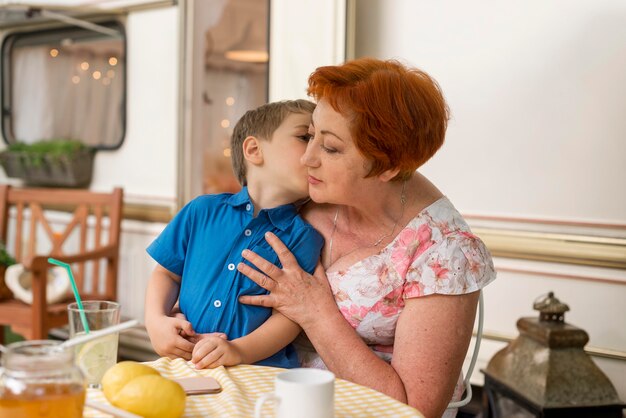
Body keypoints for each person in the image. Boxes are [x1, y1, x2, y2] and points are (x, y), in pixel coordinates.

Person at [236, 58, 496, 418]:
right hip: (264, 399)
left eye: (330, 148)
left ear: (387, 165)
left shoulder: (442, 251)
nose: (307, 158)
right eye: (310, 135)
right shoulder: (301, 195)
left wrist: (316, 313)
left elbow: (413, 410)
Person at [144, 99, 324, 369]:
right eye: (305, 137)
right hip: (187, 361)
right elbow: (166, 273)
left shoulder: (304, 236)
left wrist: (239, 351)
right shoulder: (201, 211)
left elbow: (289, 318)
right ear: (254, 150)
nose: (315, 152)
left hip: (259, 370)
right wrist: (155, 321)